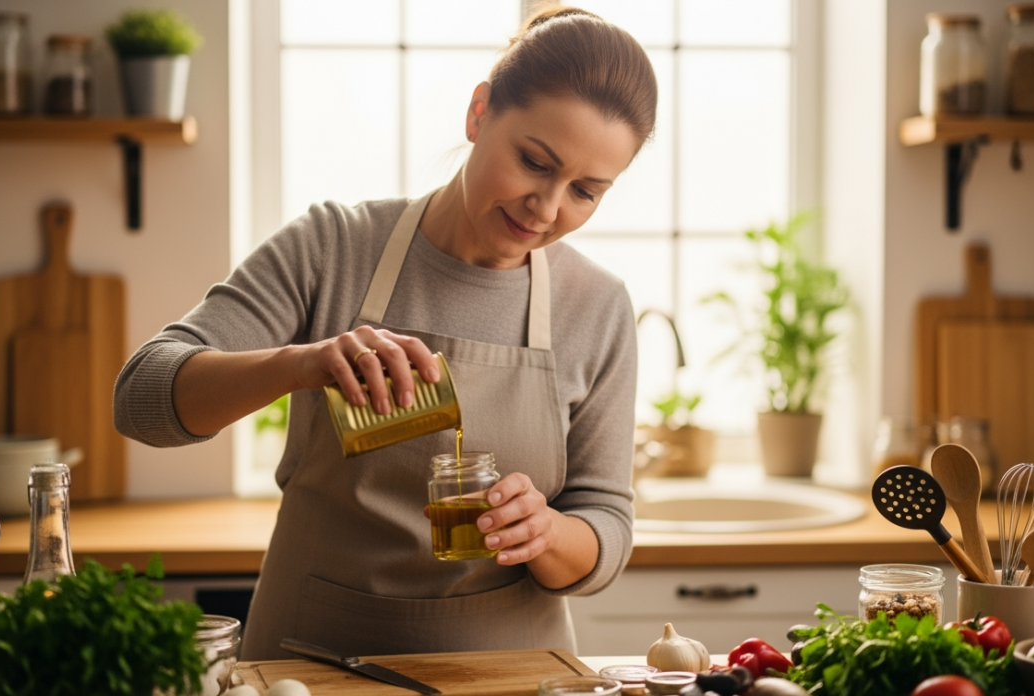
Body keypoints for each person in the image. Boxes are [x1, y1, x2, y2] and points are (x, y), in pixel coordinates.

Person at [114, 6, 657, 660]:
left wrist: (548, 532)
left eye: (585, 192)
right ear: (479, 112)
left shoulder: (597, 308)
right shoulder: (333, 248)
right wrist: (298, 366)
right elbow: (141, 400)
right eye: (535, 162)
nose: (547, 208)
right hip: (308, 664)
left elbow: (607, 525)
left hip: (509, 673)